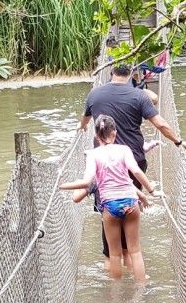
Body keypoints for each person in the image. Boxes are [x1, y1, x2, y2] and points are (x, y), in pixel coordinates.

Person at [80, 59, 182, 257]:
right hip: (132, 158)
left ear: (111, 73)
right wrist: (177, 141)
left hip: (103, 162)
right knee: (130, 203)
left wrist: (82, 127)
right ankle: (130, 254)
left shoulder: (95, 94)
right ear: (131, 76)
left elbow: (84, 119)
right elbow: (160, 124)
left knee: (107, 207)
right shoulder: (138, 95)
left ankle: (112, 257)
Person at [62, 114, 154, 281]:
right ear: (115, 133)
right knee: (135, 251)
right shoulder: (124, 150)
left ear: (97, 136)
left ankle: (115, 294)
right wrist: (151, 190)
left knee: (114, 255)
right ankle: (141, 291)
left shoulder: (93, 155)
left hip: (110, 206)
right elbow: (137, 172)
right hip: (131, 202)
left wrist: (62, 185)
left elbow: (87, 181)